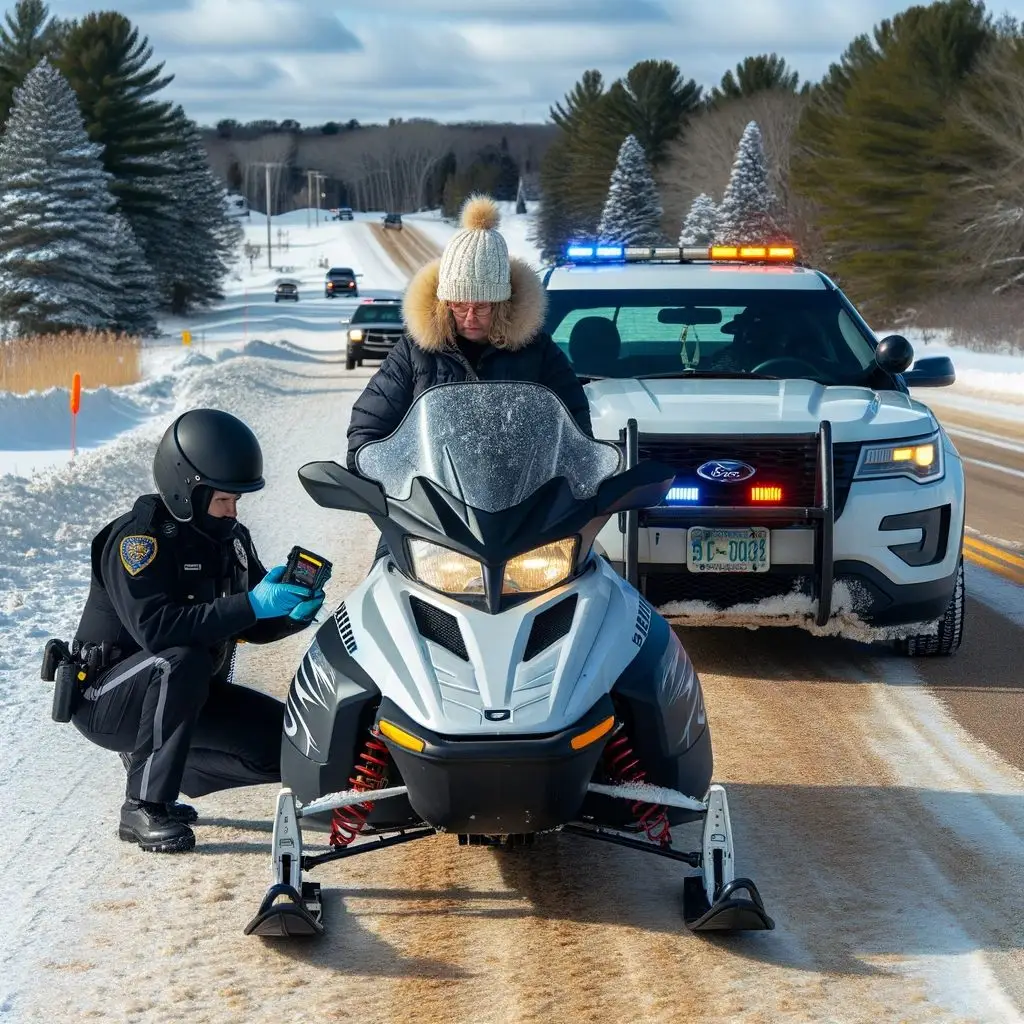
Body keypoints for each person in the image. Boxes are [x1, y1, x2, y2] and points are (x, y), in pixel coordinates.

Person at [69, 409, 328, 854]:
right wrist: (250, 604)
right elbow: (158, 630)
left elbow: (249, 621)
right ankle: (143, 804)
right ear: (188, 490)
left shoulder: (232, 540)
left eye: (237, 501)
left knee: (286, 746)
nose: (232, 512)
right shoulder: (138, 542)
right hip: (108, 701)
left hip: (186, 694)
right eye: (223, 501)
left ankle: (167, 766)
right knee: (181, 659)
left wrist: (289, 615)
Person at [345, 193, 591, 472]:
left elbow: (575, 428)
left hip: (523, 500)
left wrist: (575, 475)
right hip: (431, 499)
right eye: (459, 305)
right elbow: (370, 421)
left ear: (502, 305)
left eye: (482, 306)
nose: (470, 316)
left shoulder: (538, 351)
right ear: (443, 304)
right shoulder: (414, 351)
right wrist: (364, 472)